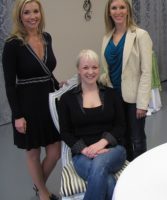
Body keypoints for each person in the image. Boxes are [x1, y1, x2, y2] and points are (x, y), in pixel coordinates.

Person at [2, 0, 61, 200]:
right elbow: (10, 84)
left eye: (35, 11)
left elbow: (46, 69)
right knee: (33, 153)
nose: (32, 16)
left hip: (49, 101)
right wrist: (17, 115)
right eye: (27, 12)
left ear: (40, 13)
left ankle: (38, 186)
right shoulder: (12, 45)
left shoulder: (47, 37)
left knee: (55, 152)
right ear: (20, 16)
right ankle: (43, 194)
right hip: (27, 104)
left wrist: (56, 82)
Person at [58, 49, 127, 200]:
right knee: (106, 179)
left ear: (99, 69)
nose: (90, 72)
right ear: (78, 70)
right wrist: (84, 150)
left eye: (94, 67)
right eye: (85, 67)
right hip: (82, 155)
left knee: (99, 164)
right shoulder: (66, 99)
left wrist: (99, 145)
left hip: (113, 151)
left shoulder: (112, 94)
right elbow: (65, 133)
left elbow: (121, 126)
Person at [101, 0, 153, 161]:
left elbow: (146, 72)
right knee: (120, 138)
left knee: (136, 139)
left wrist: (142, 103)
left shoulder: (140, 35)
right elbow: (106, 70)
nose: (118, 12)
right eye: (114, 8)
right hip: (113, 97)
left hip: (133, 98)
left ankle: (140, 173)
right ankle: (125, 171)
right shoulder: (106, 37)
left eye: (122, 7)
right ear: (109, 12)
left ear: (128, 10)